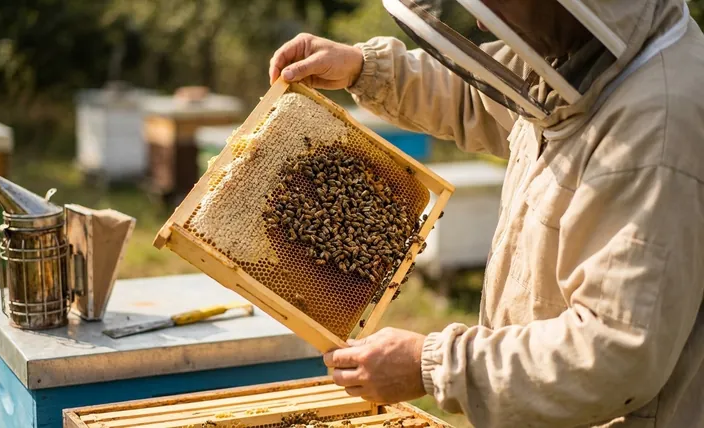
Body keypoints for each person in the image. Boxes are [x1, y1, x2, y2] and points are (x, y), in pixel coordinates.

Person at [269, 0, 704, 427]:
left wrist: (431, 365)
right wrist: (365, 68)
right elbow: (483, 92)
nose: (481, 23)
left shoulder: (659, 130)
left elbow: (613, 352)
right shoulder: (574, 52)